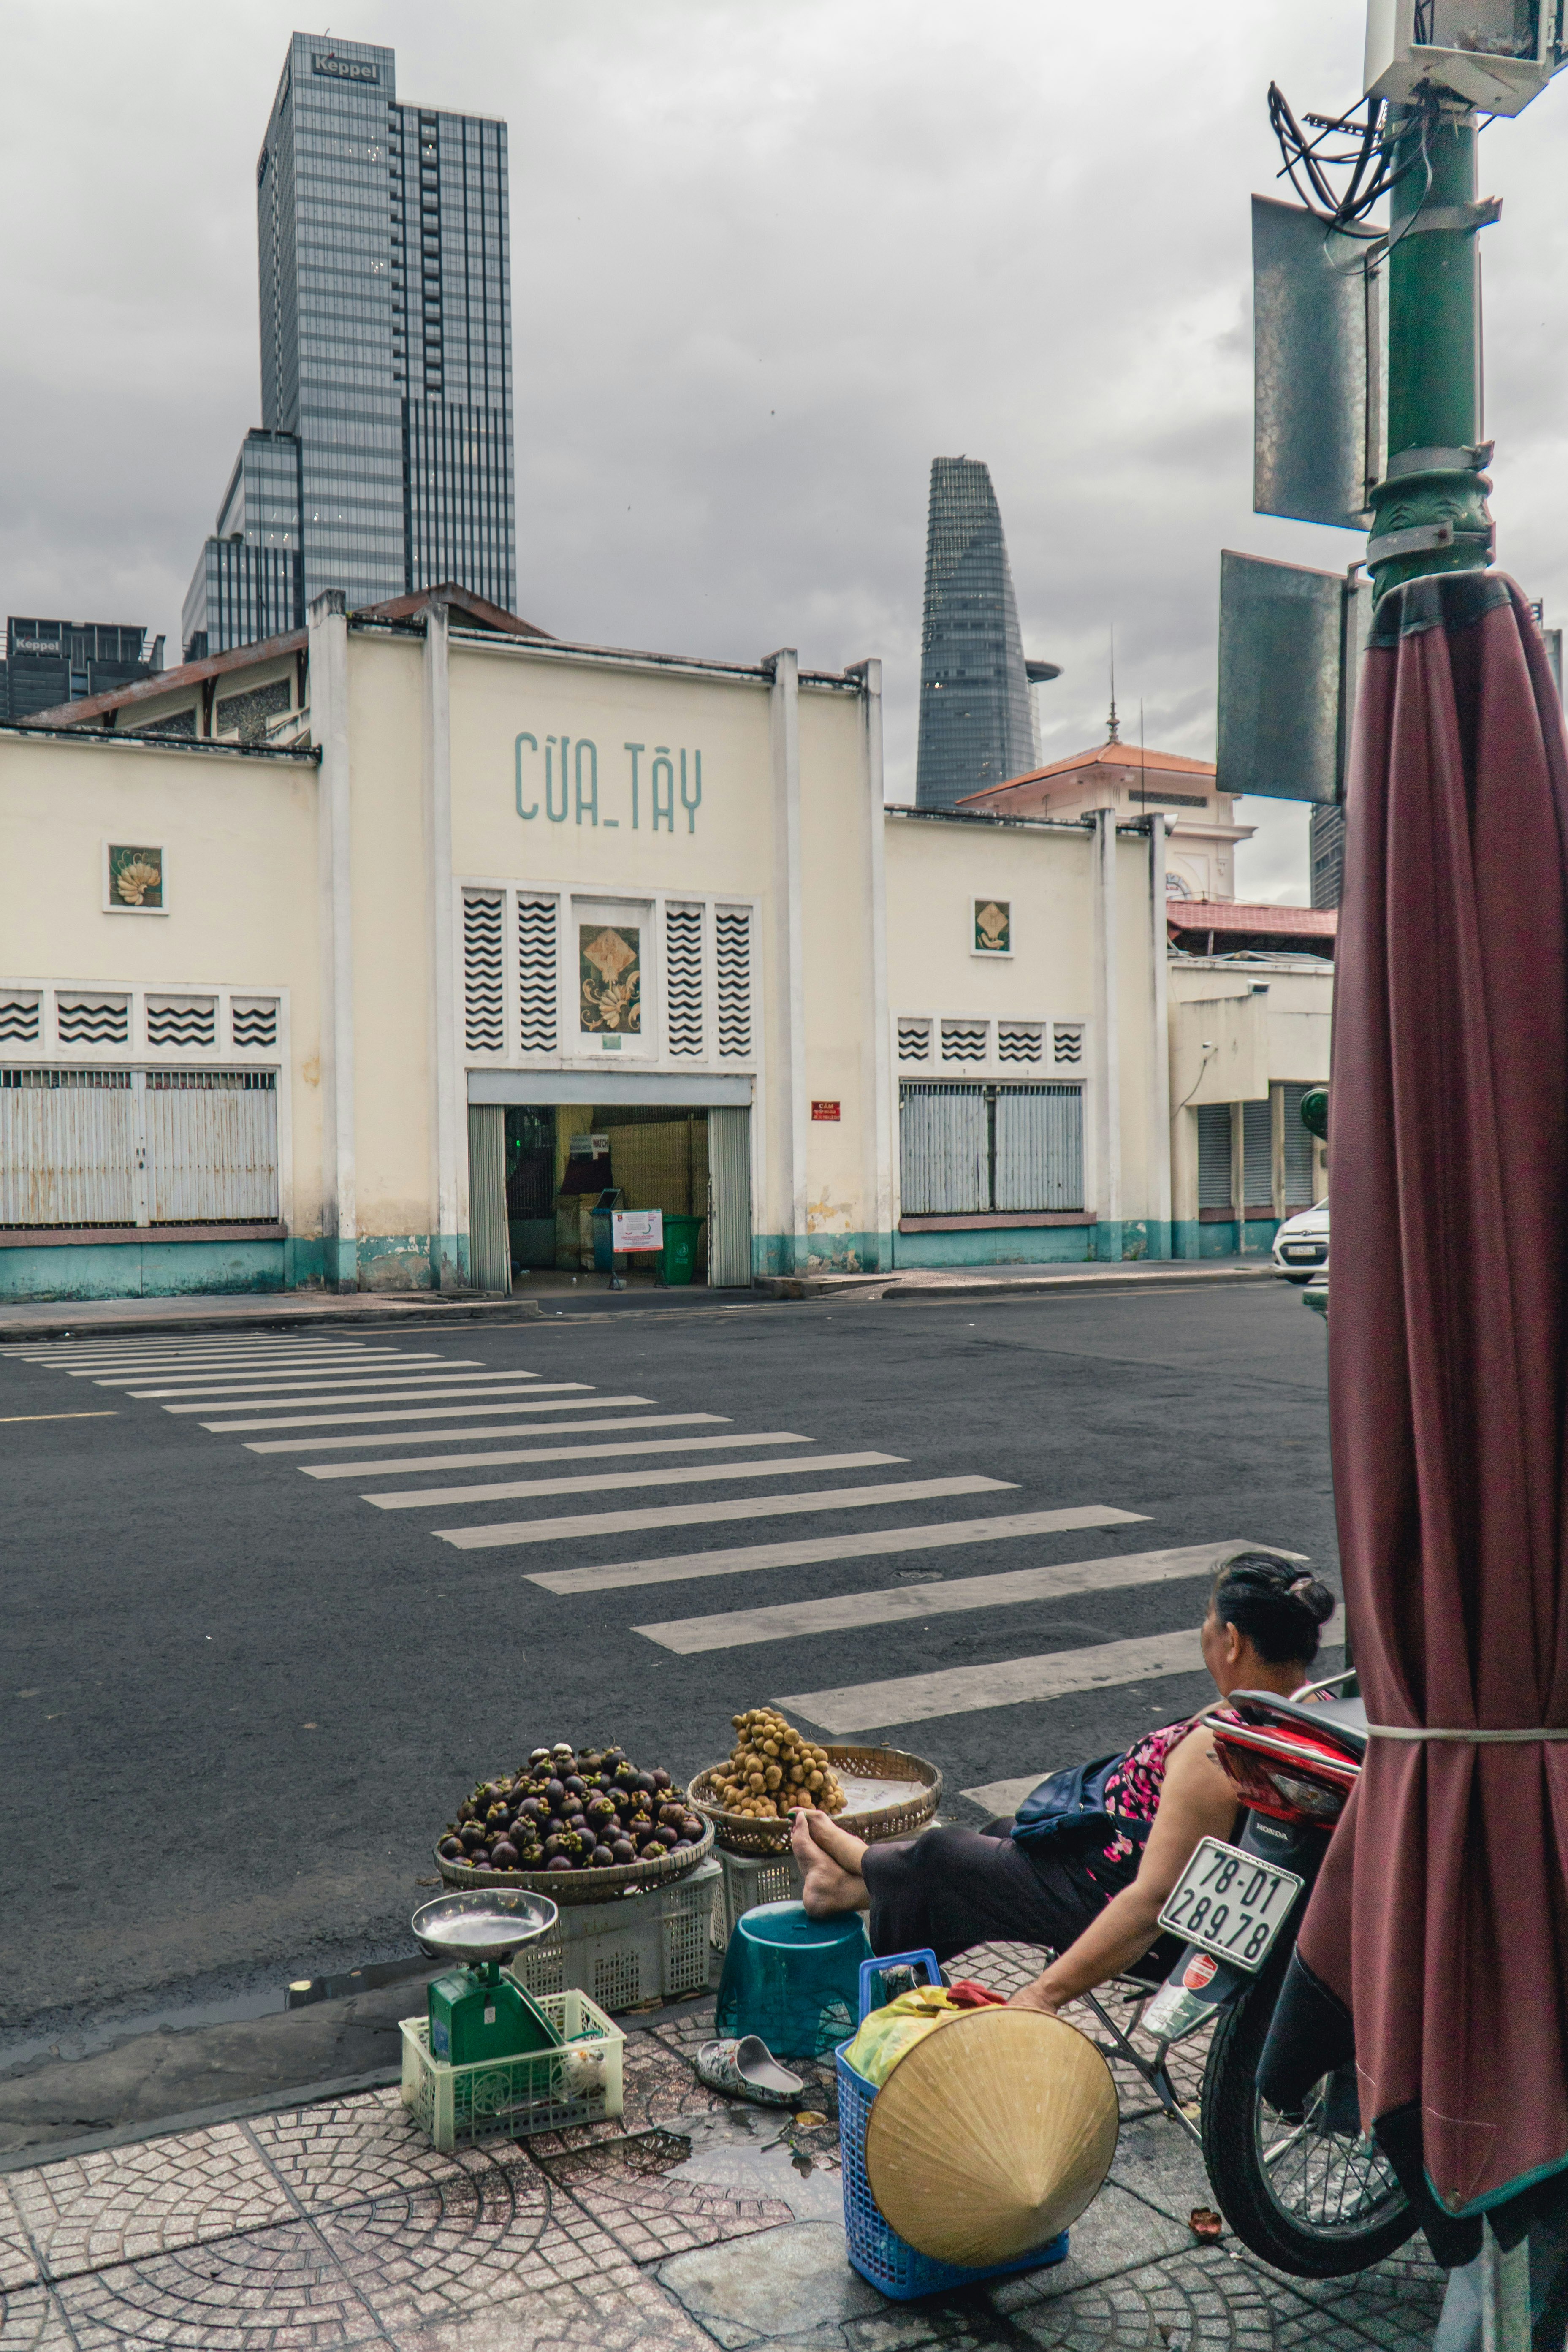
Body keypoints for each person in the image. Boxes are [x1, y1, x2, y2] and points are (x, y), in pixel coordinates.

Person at [789, 1552, 1337, 2013]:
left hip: (1108, 1896)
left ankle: (859, 1885)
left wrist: (1042, 1995)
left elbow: (1152, 1900)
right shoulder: (1316, 1710)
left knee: (942, 1855)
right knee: (999, 1834)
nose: (1203, 1633)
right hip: (1099, 1851)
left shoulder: (1218, 1754)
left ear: (1234, 1641)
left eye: (1207, 1620)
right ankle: (847, 1886)